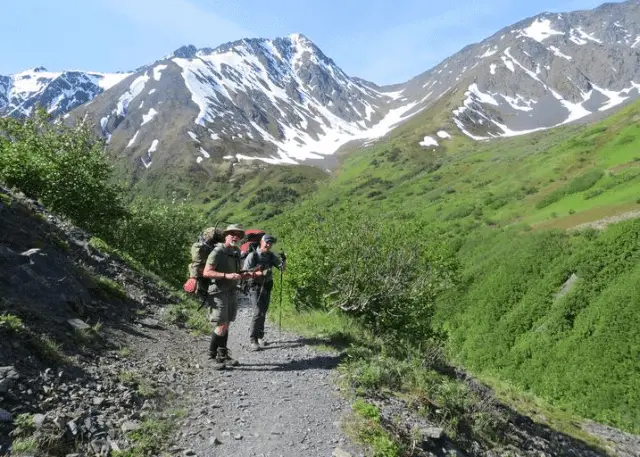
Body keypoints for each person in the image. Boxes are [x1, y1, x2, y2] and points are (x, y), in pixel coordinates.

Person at [202, 224, 252, 369]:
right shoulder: (217, 252)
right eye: (232, 234)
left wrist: (247, 275)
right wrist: (226, 275)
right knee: (221, 324)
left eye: (238, 235)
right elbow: (207, 272)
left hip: (231, 290)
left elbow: (238, 271)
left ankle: (223, 355)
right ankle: (210, 356)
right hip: (218, 291)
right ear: (226, 235)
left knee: (227, 323)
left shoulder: (236, 252)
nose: (235, 237)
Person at [242, 234, 285, 351]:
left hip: (267, 286)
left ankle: (260, 336)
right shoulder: (252, 256)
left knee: (263, 312)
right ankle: (253, 340)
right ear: (261, 242)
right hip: (254, 286)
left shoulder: (271, 256)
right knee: (258, 311)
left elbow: (282, 269)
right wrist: (258, 273)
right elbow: (244, 274)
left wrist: (283, 261)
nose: (269, 244)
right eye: (267, 242)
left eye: (271, 243)